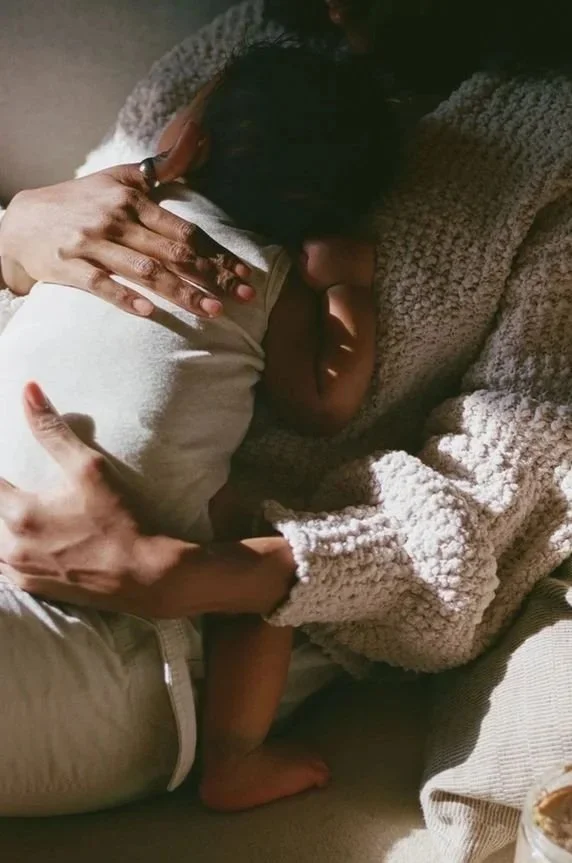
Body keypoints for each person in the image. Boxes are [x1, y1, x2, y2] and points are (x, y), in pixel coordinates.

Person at [0, 1, 571, 858]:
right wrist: (16, 234)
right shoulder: (240, 46)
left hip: (168, 627)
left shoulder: (550, 148)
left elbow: (502, 496)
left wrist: (193, 575)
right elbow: (53, 307)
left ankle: (231, 745)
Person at [0, 41, 390, 813]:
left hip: (90, 615)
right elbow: (324, 404)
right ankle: (235, 756)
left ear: (191, 145)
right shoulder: (268, 277)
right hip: (93, 592)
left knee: (254, 532)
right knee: (252, 540)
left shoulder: (103, 217)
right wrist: (348, 285)